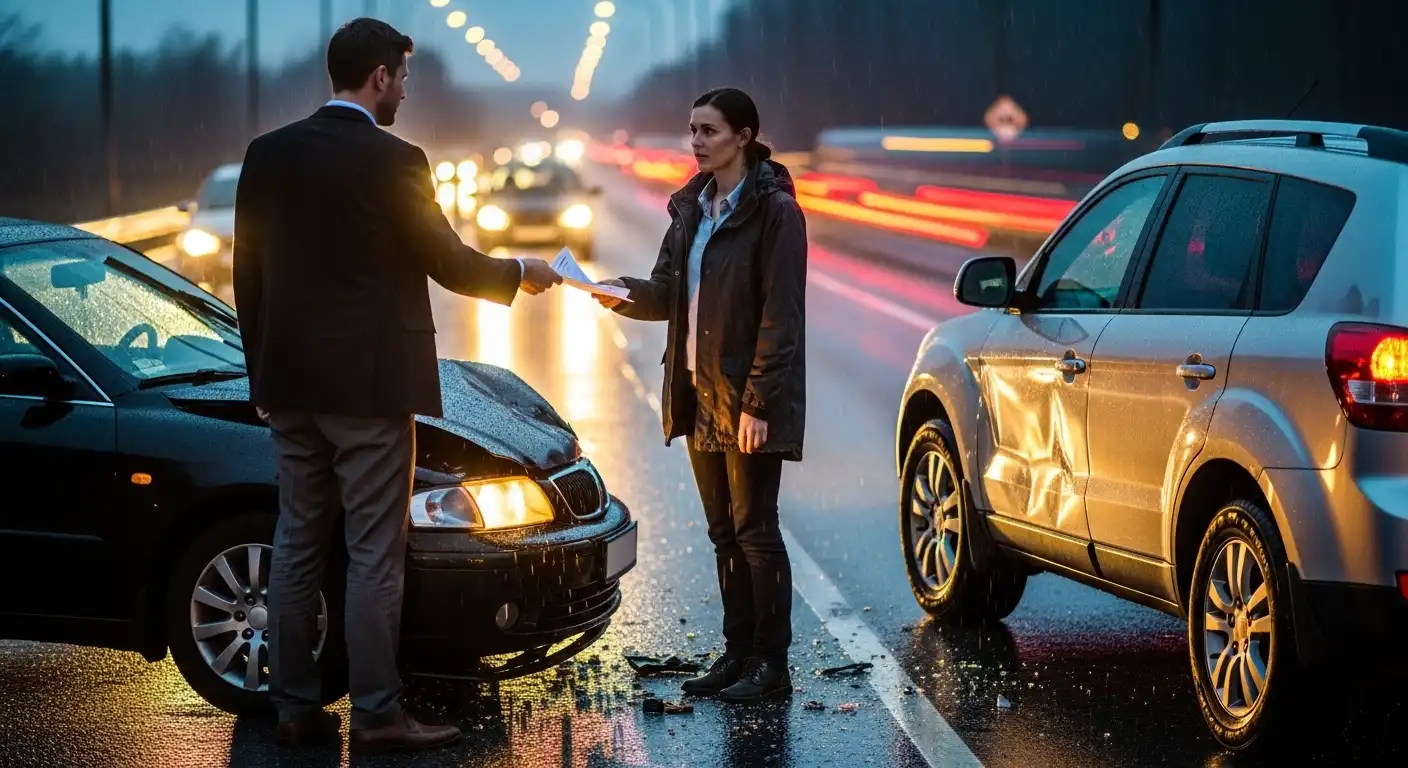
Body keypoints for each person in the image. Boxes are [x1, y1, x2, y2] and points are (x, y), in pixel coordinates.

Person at [231, 18, 561, 752]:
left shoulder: (268, 155)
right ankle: (378, 713)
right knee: (375, 551)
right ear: (379, 76)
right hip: (371, 388)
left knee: (296, 544)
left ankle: (293, 705)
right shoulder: (396, 161)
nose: (406, 92)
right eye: (403, 78)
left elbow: (246, 273)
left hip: (289, 385)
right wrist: (522, 274)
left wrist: (263, 373)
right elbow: (447, 259)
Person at [596, 87, 807, 702]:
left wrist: (760, 403)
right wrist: (618, 290)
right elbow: (666, 291)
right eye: (692, 130)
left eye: (709, 131)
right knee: (724, 535)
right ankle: (737, 655)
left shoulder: (776, 213)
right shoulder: (693, 207)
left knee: (756, 533)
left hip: (747, 400)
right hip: (697, 391)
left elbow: (781, 316)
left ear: (743, 137)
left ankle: (773, 666)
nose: (696, 142)